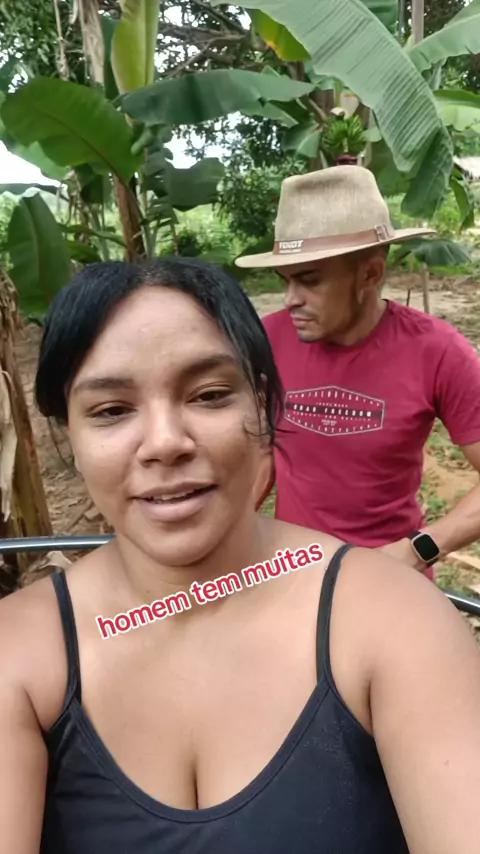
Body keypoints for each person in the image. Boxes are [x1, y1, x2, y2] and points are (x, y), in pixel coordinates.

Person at [1, 257, 480, 854]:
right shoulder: (20, 656)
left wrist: (416, 549)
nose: (165, 442)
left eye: (209, 395)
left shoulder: (399, 626)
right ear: (67, 432)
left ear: (262, 406)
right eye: (111, 410)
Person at [236, 165, 480, 578]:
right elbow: (263, 451)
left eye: (309, 281)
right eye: (285, 281)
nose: (290, 299)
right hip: (295, 574)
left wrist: (420, 548)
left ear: (370, 274)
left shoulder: (437, 352)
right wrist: (236, 531)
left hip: (389, 578)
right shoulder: (268, 340)